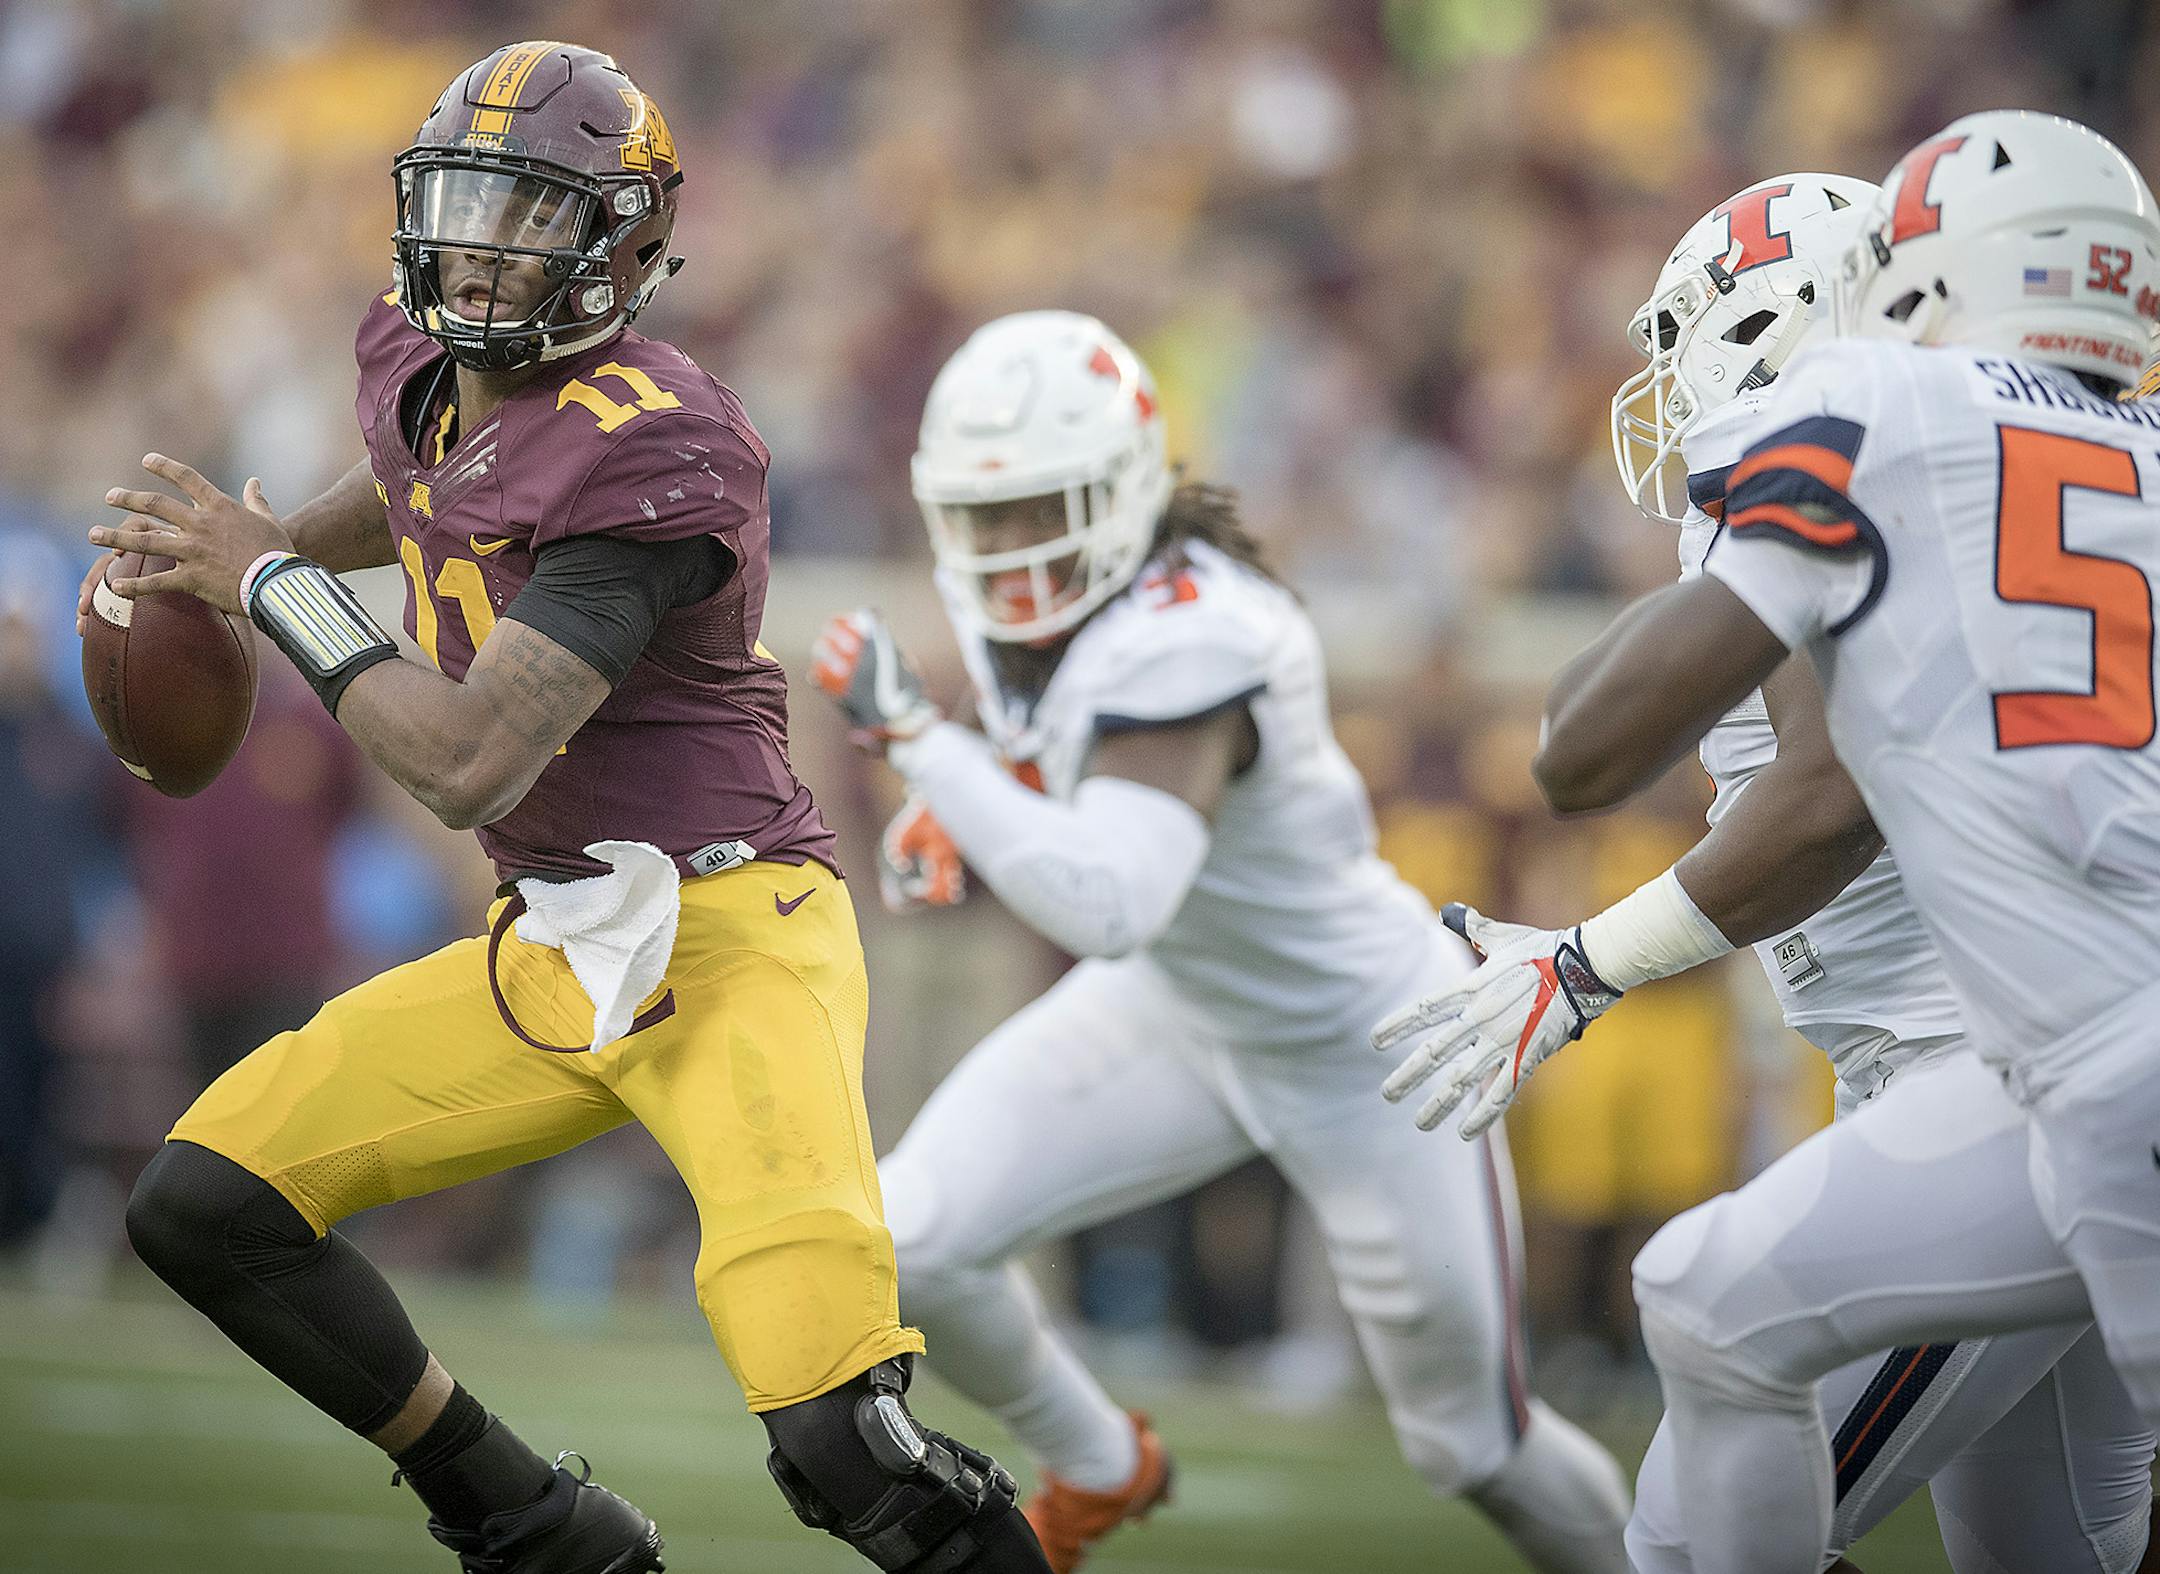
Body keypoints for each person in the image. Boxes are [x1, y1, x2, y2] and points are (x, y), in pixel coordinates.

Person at [79, 42, 1048, 1574]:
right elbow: (416, 485)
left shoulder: (659, 443)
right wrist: (272, 538)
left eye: (530, 214)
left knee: (848, 1448)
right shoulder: (417, 362)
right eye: (464, 199)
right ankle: (532, 1523)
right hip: (558, 947)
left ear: (629, 249)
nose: (480, 242)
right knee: (206, 1205)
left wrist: (267, 589)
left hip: (733, 940)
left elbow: (469, 762)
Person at [1379, 110, 2160, 1574]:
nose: (1677, 392)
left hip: (2014, 1063)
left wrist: (1580, 966)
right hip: (2043, 1046)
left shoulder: (1878, 415)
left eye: (1696, 341)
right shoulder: (2094, 437)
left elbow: (1795, 792)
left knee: (1698, 1441)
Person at [811, 309, 1633, 1574]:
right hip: (1177, 1006)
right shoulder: (1038, 609)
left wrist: (922, 744)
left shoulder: (1199, 628)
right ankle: (1098, 1457)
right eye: (990, 513)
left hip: (1362, 1039)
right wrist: (954, 799)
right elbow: (1059, 763)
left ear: (1127, 487)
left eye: (1047, 507)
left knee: (1472, 1445)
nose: (1015, 545)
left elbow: (1110, 898)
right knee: (910, 1237)